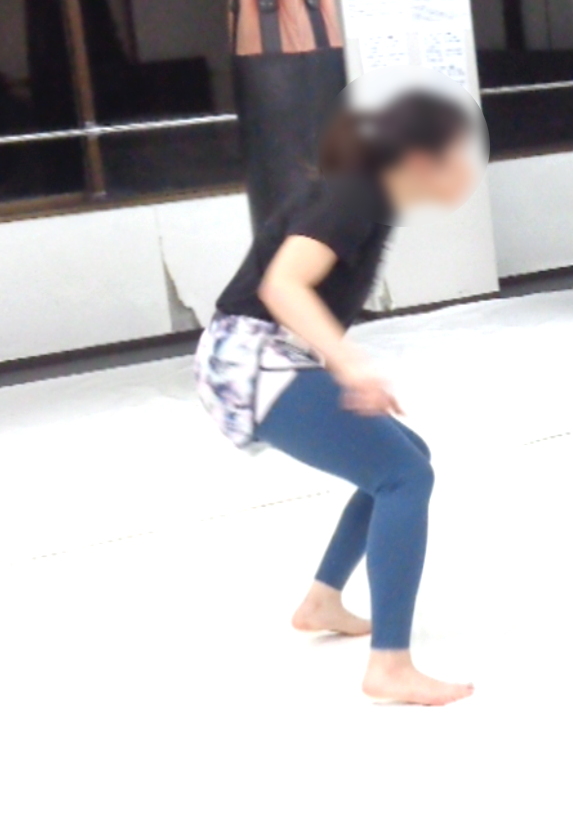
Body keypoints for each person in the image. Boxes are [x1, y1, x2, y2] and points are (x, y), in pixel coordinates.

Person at [194, 80, 480, 706]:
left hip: (259, 355)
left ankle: (323, 601)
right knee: (403, 476)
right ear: (419, 157)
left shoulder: (366, 202)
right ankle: (390, 666)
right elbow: (282, 285)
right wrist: (350, 364)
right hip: (251, 358)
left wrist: (337, 367)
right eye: (459, 153)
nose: (469, 168)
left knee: (407, 457)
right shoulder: (351, 196)